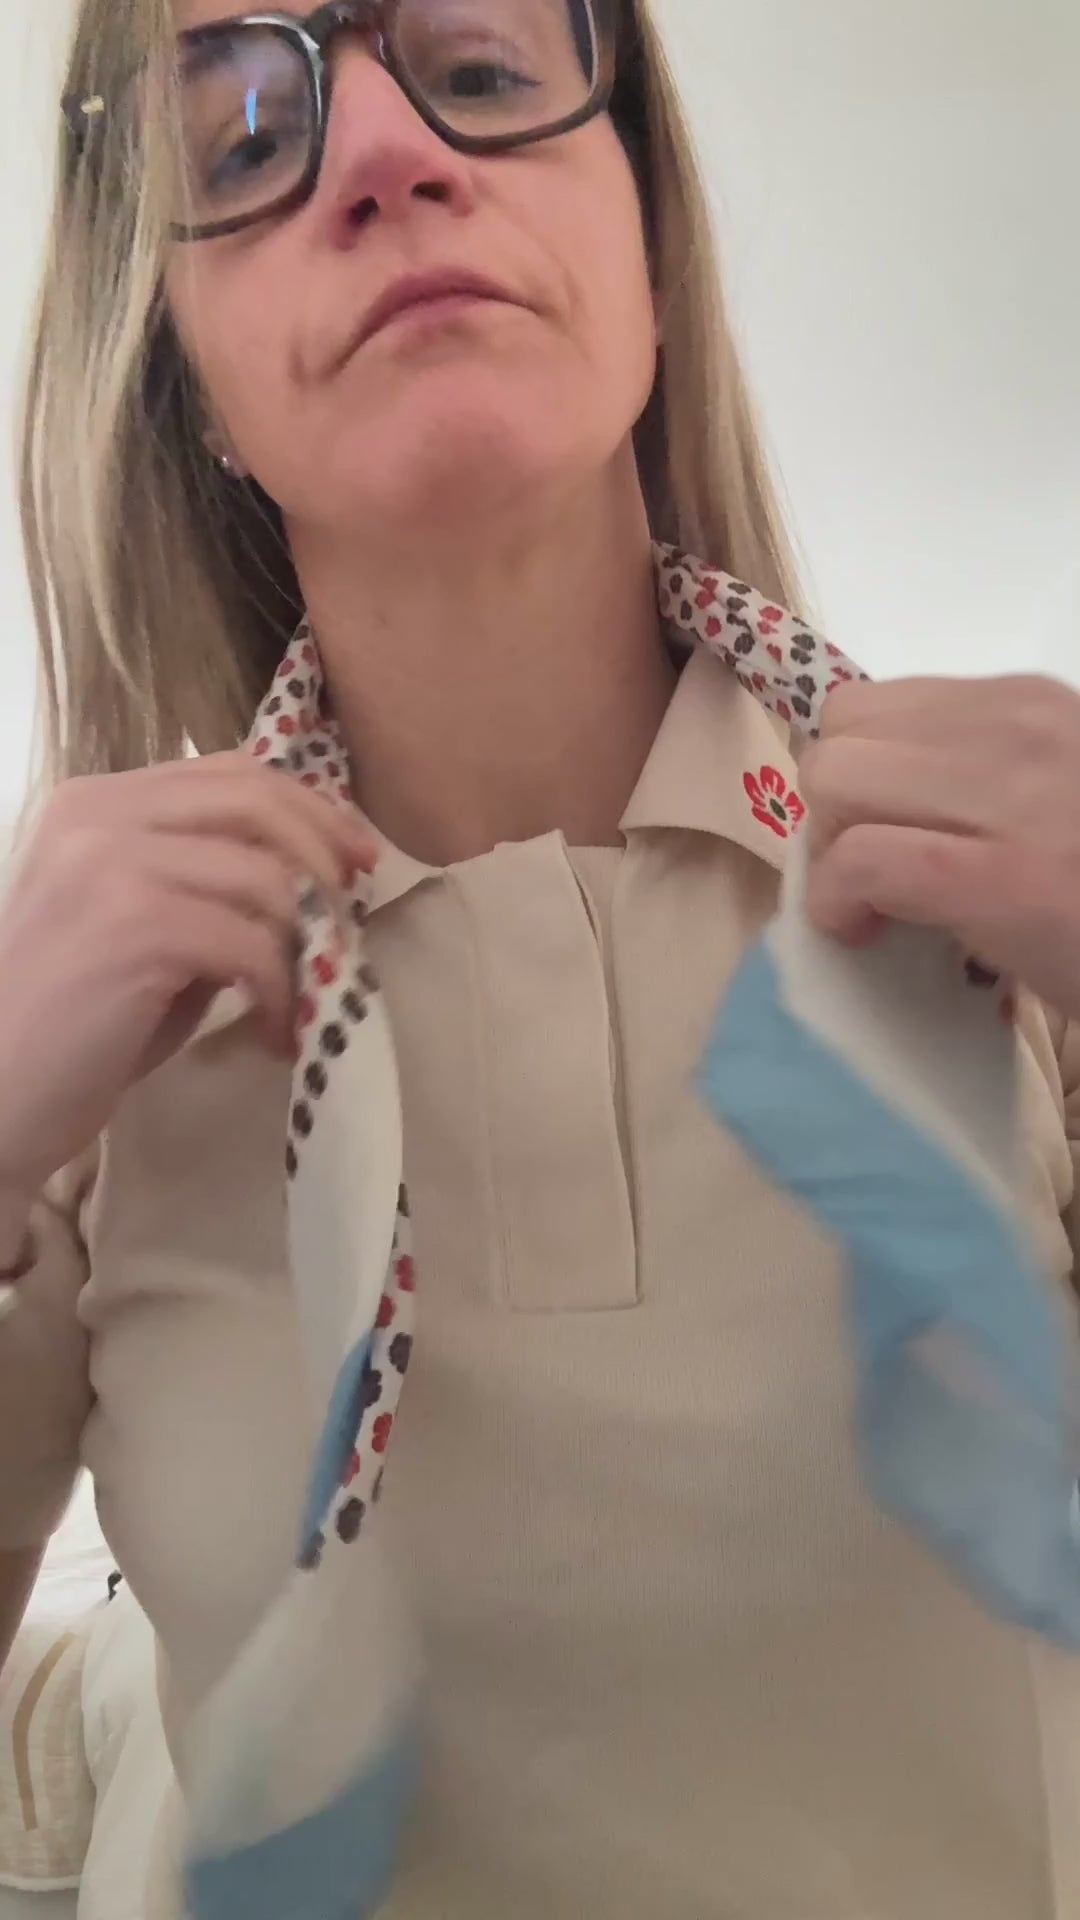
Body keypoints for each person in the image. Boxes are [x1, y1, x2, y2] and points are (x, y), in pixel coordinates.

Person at [2, 0, 1080, 1912]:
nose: (384, 157)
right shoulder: (83, 1050)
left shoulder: (1021, 931)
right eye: (243, 140)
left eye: (485, 70)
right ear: (190, 392)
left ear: (651, 254)